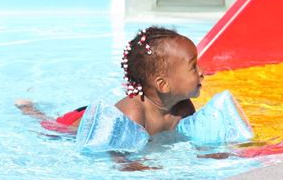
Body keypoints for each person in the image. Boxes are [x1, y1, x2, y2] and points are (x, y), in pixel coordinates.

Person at [15, 26, 205, 170]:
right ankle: (29, 109)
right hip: (80, 123)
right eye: (193, 67)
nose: (202, 73)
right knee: (51, 128)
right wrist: (133, 165)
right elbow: (116, 153)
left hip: (108, 115)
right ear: (163, 84)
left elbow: (193, 141)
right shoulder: (134, 113)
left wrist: (214, 154)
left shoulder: (184, 108)